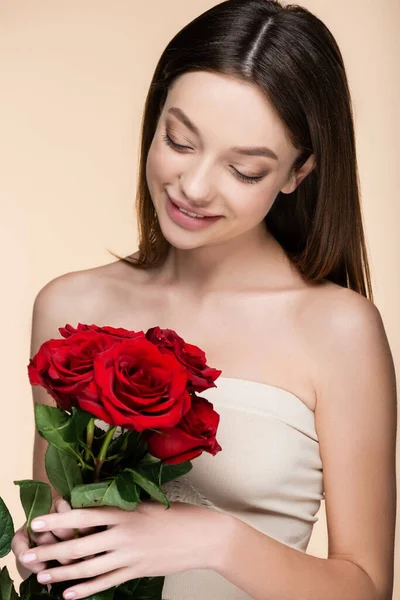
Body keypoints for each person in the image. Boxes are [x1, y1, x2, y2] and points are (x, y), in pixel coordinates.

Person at [11, 0, 397, 598]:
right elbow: (63, 528)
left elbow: (366, 587)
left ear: (298, 172)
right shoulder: (69, 306)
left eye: (244, 170)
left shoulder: (337, 329)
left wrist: (214, 540)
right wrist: (45, 548)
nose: (193, 187)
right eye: (179, 140)